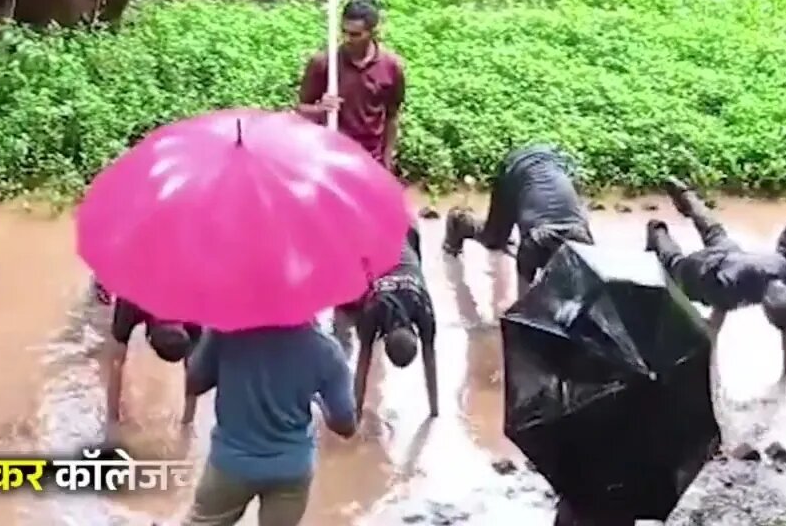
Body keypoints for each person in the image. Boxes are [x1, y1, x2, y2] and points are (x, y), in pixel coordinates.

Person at [183, 324, 357, 525]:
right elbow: (346, 425)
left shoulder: (226, 332)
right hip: (291, 467)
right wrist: (319, 402)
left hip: (231, 464)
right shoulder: (326, 349)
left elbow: (194, 384)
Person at [647, 178, 786, 379]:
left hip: (734, 255)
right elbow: (714, 323)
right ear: (765, 307)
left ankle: (685, 194)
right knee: (675, 264)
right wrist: (710, 362)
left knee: (713, 229)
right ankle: (656, 230)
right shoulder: (731, 290)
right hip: (706, 269)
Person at [444, 144, 594, 297]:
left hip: (553, 162)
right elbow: (520, 308)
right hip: (515, 171)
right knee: (494, 239)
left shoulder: (585, 248)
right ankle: (458, 222)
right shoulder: (532, 247)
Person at [333, 226, 438, 418]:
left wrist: (356, 411)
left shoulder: (421, 305)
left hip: (402, 234)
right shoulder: (379, 309)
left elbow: (363, 361)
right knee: (346, 302)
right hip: (376, 240)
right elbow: (429, 357)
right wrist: (435, 410)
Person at [297, 0, 406, 171]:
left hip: (370, 160)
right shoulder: (324, 62)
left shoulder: (391, 66)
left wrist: (387, 160)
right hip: (330, 157)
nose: (347, 39)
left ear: (372, 32)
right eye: (344, 31)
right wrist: (320, 109)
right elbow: (300, 109)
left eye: (355, 34)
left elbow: (392, 116)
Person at [103, 286, 202, 424]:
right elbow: (116, 360)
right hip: (141, 287)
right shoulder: (132, 300)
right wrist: (112, 420)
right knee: (117, 352)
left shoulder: (195, 311)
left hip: (183, 291)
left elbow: (194, 370)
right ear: (148, 338)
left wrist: (187, 423)